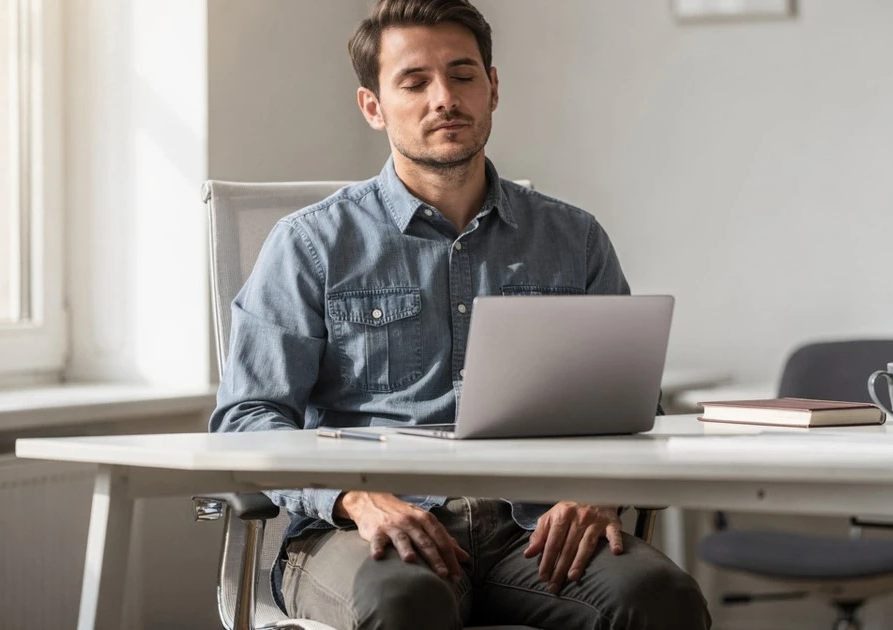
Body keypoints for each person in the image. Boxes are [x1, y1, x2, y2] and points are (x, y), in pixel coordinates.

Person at [209, 1, 711, 628]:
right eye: (414, 82)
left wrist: (598, 493)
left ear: (493, 88)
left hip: (530, 530)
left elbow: (633, 413)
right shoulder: (310, 244)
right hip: (366, 533)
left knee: (662, 600)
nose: (443, 97)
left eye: (463, 74)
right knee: (406, 605)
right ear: (373, 106)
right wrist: (359, 501)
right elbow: (246, 418)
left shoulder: (573, 238)